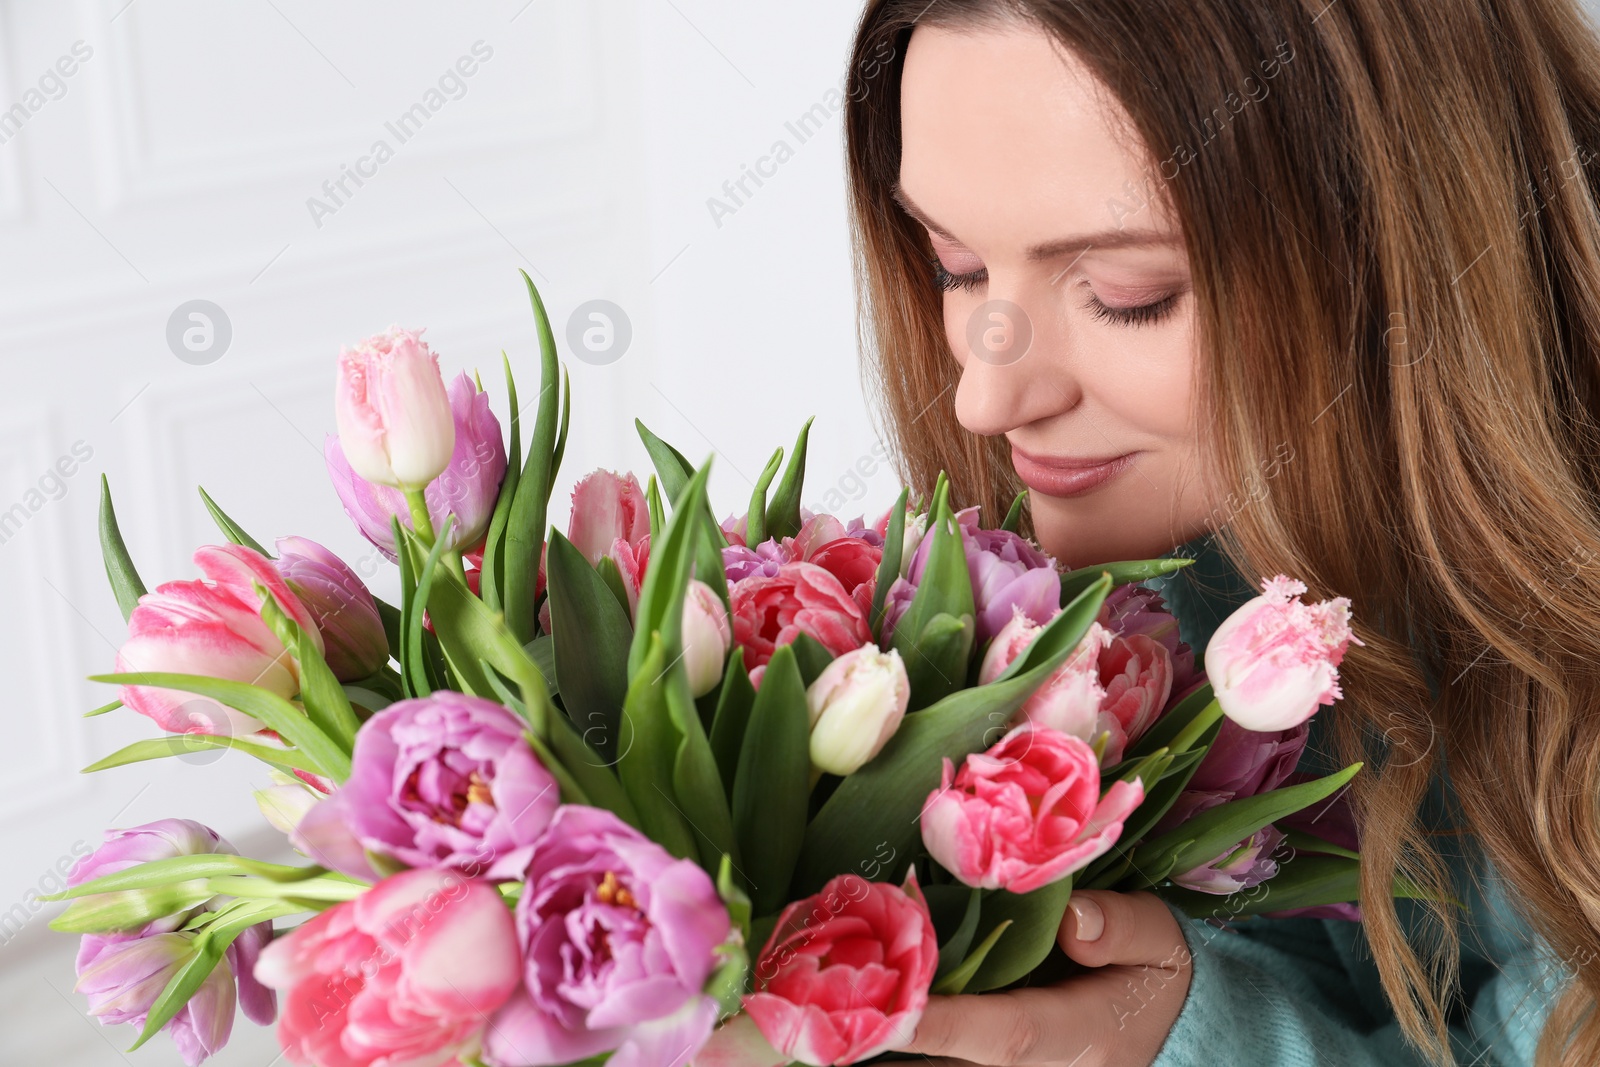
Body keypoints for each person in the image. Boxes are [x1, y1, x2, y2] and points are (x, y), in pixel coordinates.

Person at [841, 1, 1600, 1064]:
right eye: (955, 266)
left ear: (1409, 248)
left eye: (1126, 293)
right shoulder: (1157, 546)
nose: (981, 396)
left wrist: (1193, 1033)